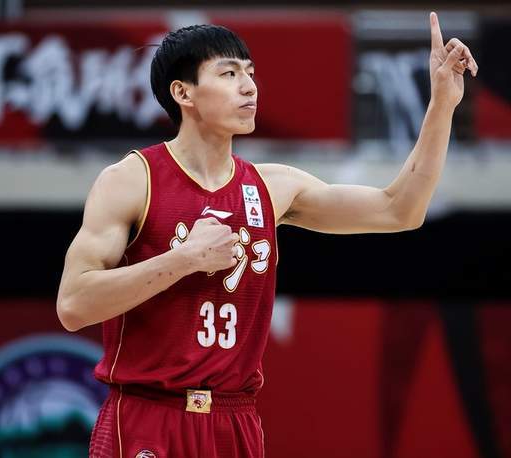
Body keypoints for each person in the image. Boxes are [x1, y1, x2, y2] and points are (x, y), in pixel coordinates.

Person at [56, 12, 477, 457]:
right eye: (229, 74)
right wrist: (182, 259)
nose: (249, 87)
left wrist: (442, 105)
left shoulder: (273, 185)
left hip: (234, 421)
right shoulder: (131, 179)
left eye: (250, 73)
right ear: (183, 93)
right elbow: (73, 305)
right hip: (148, 417)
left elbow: (399, 210)